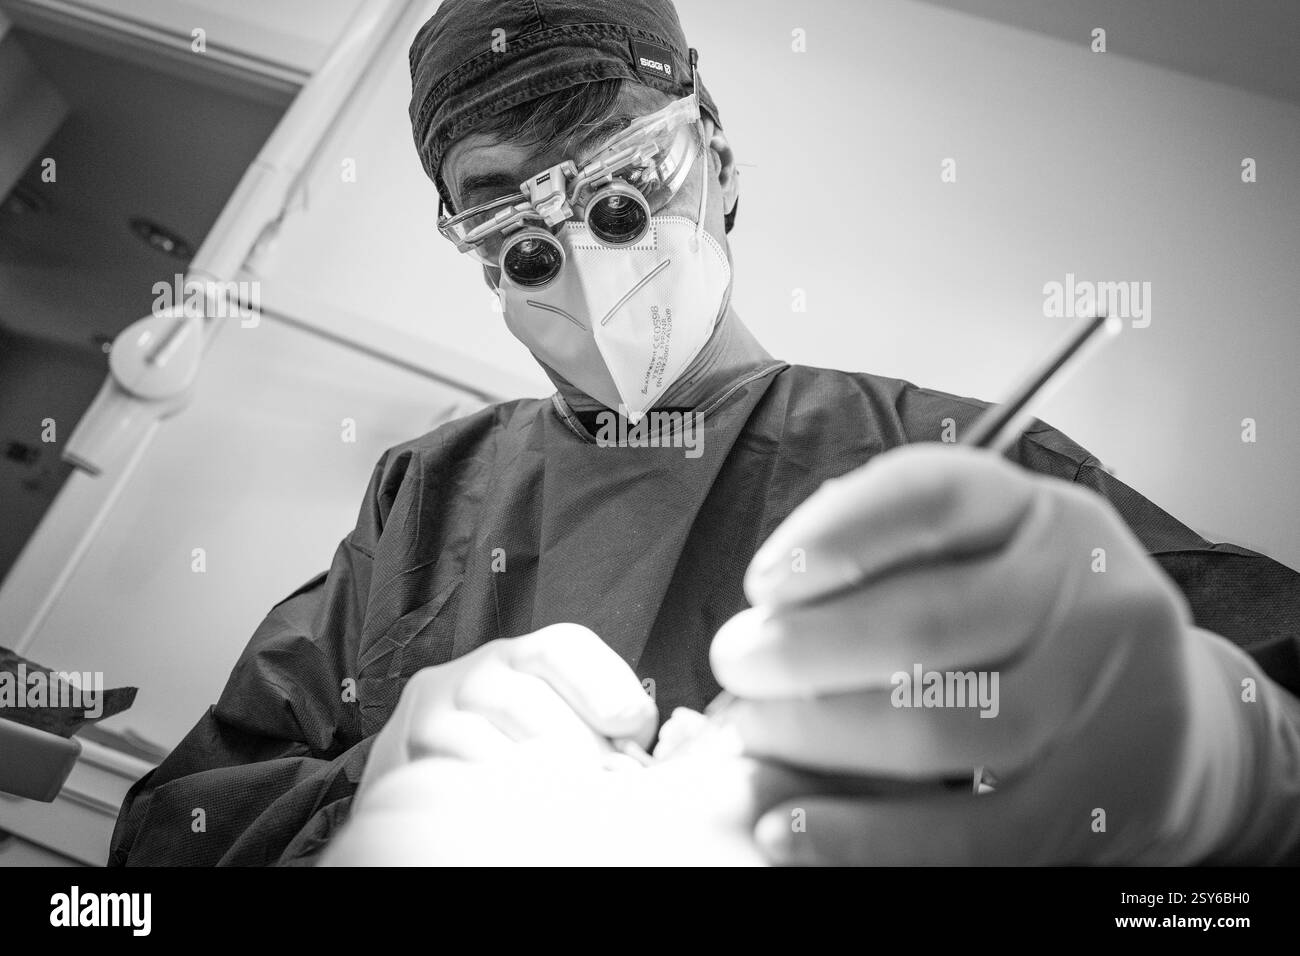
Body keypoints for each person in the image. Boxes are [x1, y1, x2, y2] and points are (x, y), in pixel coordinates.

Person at [110, 0, 1300, 866]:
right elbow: (162, 843)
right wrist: (373, 785)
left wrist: (1229, 764)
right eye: (522, 237)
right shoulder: (428, 495)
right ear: (486, 262)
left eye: (621, 194)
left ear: (716, 164)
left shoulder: (947, 455)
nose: (582, 263)